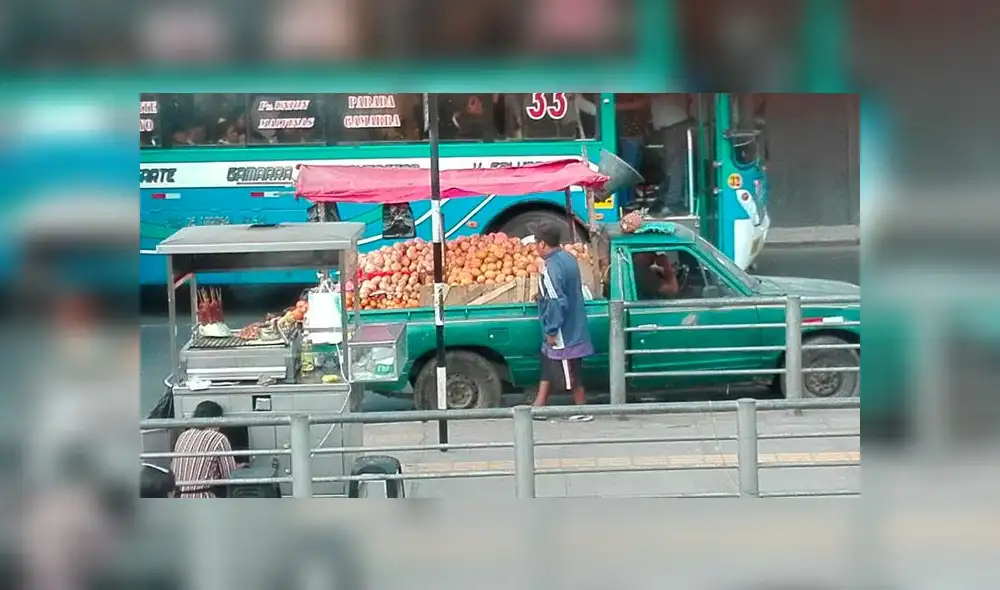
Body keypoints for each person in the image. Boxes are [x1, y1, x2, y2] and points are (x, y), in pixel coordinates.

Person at [531, 225, 594, 422]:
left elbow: (557, 300)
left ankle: (582, 408)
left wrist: (551, 329)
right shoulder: (568, 258)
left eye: (535, 243)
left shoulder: (550, 267)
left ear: (542, 244)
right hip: (574, 324)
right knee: (548, 364)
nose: (534, 247)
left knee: (568, 371)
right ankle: (539, 407)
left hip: (564, 332)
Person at [170, 401, 237, 498]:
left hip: (177, 496)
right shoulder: (218, 438)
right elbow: (230, 476)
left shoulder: (183, 436)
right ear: (218, 419)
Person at [649, 94, 694, 214]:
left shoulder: (665, 82)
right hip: (668, 126)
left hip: (675, 124)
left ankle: (672, 203)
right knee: (668, 166)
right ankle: (664, 199)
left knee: (674, 166)